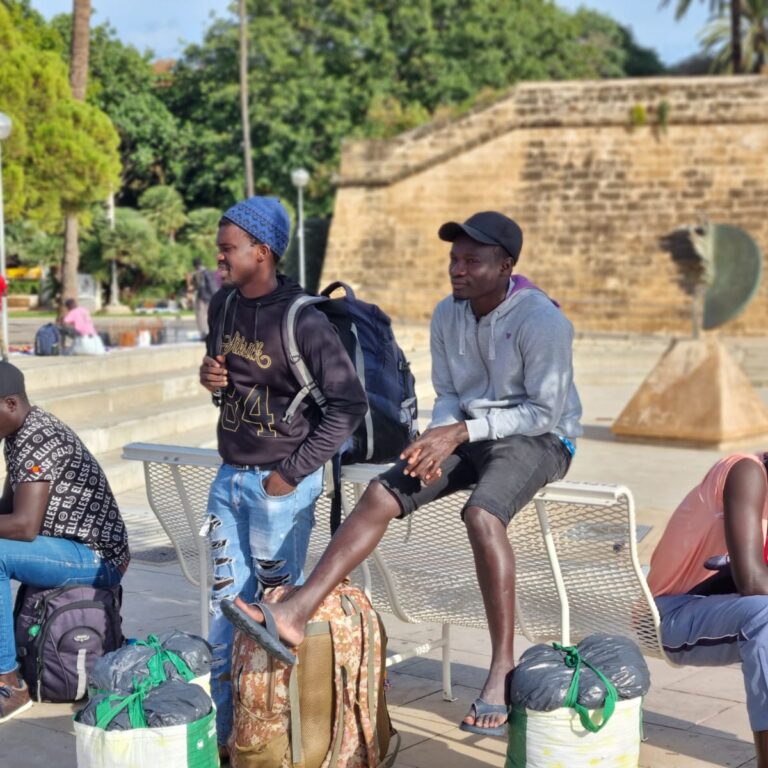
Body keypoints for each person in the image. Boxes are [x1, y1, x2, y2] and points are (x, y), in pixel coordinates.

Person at [221, 210, 583, 737]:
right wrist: (435, 437)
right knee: (379, 494)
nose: (457, 270)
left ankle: (502, 665)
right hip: (468, 433)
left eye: (472, 261)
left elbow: (544, 412)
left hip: (539, 439)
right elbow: (451, 395)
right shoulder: (447, 313)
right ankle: (295, 613)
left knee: (481, 514)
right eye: (454, 260)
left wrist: (457, 433)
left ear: (506, 265)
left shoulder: (541, 321)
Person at [197, 195, 367, 756]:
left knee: (270, 621)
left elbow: (348, 405)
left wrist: (290, 476)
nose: (219, 258)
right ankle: (228, 741)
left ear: (261, 252)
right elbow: (225, 375)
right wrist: (212, 377)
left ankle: (273, 742)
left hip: (280, 486)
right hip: (231, 477)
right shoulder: (223, 304)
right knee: (227, 615)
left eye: (229, 248)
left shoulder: (304, 318)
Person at [0, 361, 129, 724]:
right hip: (74, 549)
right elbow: (8, 510)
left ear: (10, 404)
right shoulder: (22, 433)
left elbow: (24, 526)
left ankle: (10, 685)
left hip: (97, 557)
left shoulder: (37, 438)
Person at [648, 452, 768, 768]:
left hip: (714, 608)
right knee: (766, 619)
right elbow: (753, 580)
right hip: (667, 615)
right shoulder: (747, 473)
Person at [189, 257, 219, 340]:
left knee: (201, 315)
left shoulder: (202, 273)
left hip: (204, 297)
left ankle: (205, 333)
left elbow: (209, 285)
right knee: (205, 315)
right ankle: (207, 333)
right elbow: (212, 286)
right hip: (207, 297)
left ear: (195, 265)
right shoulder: (206, 272)